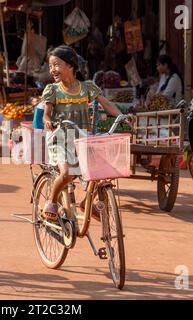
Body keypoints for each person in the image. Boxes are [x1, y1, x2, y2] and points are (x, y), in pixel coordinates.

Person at [41, 45, 126, 222]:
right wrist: (48, 120)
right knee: (67, 174)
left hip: (83, 139)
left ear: (70, 66)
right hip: (61, 138)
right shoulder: (53, 90)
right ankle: (52, 202)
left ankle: (86, 203)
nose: (52, 70)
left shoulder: (87, 87)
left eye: (56, 65)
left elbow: (106, 104)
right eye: (51, 66)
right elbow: (46, 114)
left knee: (101, 176)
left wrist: (122, 117)